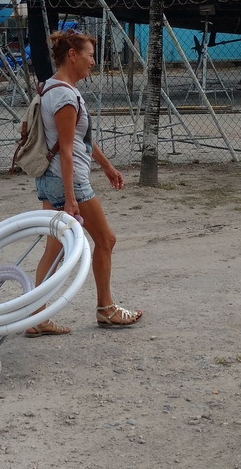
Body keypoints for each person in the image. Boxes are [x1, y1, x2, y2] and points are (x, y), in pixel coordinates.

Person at [25, 29, 142, 337]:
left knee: (56, 248)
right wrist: (71, 196)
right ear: (73, 55)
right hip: (69, 181)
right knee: (105, 240)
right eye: (90, 55)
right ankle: (106, 309)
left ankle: (36, 315)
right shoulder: (65, 95)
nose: (93, 62)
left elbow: (80, 138)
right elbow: (66, 149)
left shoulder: (52, 87)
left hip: (49, 179)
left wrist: (106, 166)